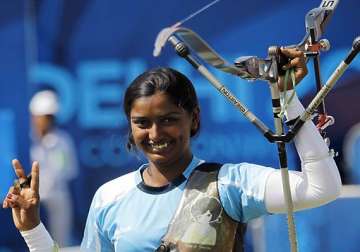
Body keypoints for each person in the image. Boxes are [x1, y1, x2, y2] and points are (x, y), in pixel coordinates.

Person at [2, 48, 341, 251]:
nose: (155, 133)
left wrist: (289, 99)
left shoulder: (230, 184)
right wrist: (32, 228)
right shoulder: (109, 197)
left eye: (167, 120)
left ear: (193, 119)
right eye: (142, 122)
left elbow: (321, 188)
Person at [28, 90, 78, 246]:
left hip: (58, 200)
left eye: (50, 117)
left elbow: (68, 170)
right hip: (31, 201)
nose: (46, 121)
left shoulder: (62, 141)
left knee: (59, 243)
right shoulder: (27, 140)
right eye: (44, 116)